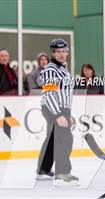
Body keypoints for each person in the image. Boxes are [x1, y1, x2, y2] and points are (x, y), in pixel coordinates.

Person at [36, 39, 78, 187]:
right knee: (64, 139)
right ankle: (62, 174)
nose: (62, 54)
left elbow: (66, 94)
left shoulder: (63, 70)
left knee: (53, 138)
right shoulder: (50, 70)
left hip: (62, 109)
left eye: (64, 51)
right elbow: (48, 94)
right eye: (58, 51)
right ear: (53, 53)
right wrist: (58, 115)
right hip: (53, 108)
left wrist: (67, 113)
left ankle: (43, 170)